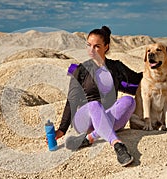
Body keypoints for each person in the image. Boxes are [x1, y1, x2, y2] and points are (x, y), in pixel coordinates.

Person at [55, 26, 142, 167]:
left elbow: (138, 80)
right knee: (95, 104)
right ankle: (117, 144)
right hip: (84, 119)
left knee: (129, 101)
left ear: (106, 47)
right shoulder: (80, 70)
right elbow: (72, 100)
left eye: (96, 46)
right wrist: (62, 129)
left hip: (108, 117)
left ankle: (90, 138)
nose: (91, 50)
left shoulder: (116, 67)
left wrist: (157, 68)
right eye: (89, 45)